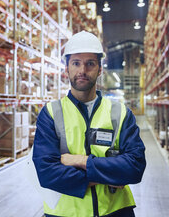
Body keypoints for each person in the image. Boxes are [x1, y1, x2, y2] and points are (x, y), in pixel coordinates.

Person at [32, 31, 146, 217]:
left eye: (90, 63)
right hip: (65, 214)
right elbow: (46, 173)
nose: (82, 70)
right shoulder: (51, 113)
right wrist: (109, 173)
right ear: (66, 68)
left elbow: (135, 168)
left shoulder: (120, 113)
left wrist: (80, 161)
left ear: (100, 69)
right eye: (76, 63)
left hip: (116, 211)